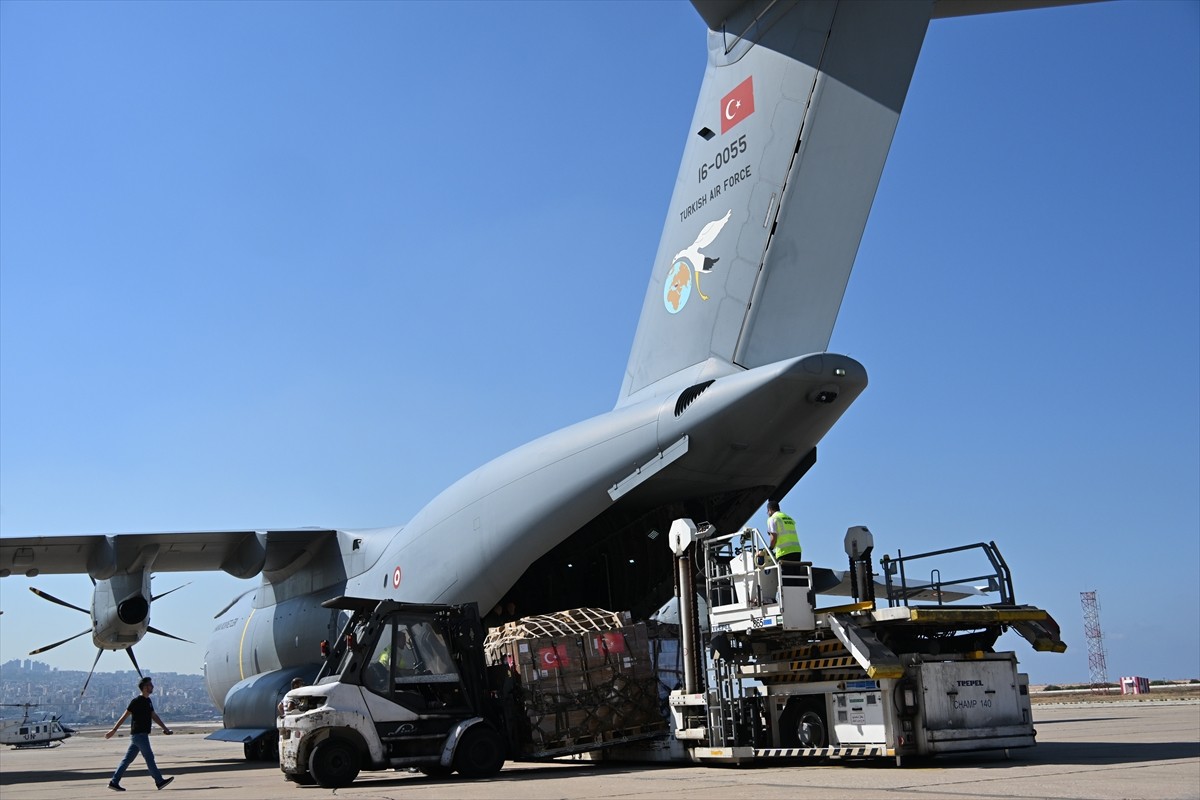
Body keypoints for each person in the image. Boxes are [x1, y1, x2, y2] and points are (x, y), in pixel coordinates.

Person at [104, 676, 174, 792]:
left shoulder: (148, 701)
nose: (153, 687)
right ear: (145, 687)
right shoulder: (136, 701)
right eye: (150, 685)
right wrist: (114, 730)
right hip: (139, 735)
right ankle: (159, 781)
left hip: (139, 736)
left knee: (127, 760)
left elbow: (154, 716)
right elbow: (124, 716)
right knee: (149, 758)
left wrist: (165, 729)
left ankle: (114, 782)